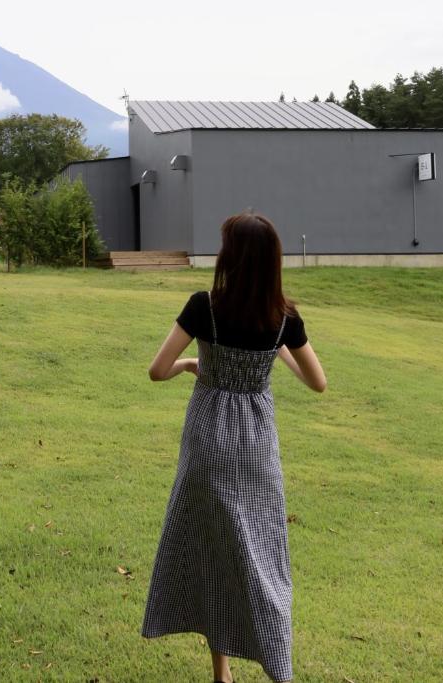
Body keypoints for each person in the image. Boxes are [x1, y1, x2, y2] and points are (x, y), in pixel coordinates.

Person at [140, 211, 326, 683]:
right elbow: (318, 382)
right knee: (262, 555)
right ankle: (276, 664)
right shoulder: (285, 318)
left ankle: (221, 672)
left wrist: (188, 365)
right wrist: (278, 350)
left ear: (231, 258)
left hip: (207, 445)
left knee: (210, 551)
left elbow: (157, 370)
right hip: (257, 451)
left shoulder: (204, 306)